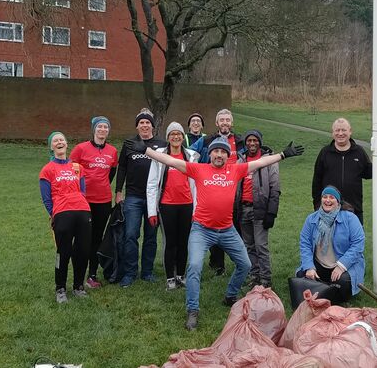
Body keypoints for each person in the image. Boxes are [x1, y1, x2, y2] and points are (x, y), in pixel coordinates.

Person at [125, 135, 304, 330]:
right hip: (202, 230)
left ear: (228, 156)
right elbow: (170, 160)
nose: (219, 155)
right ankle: (192, 310)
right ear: (209, 154)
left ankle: (230, 295)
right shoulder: (199, 169)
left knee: (244, 264)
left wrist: (283, 155)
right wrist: (146, 150)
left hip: (227, 230)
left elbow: (261, 162)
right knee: (194, 267)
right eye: (216, 151)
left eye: (223, 152)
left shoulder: (235, 170)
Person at [115, 108, 166, 288]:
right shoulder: (129, 144)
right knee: (130, 234)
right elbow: (121, 168)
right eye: (141, 123)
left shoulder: (161, 144)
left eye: (147, 122)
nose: (144, 125)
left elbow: (166, 169)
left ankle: (147, 272)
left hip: (154, 198)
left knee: (151, 236)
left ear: (152, 126)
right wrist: (119, 191)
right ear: (137, 127)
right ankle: (130, 272)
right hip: (133, 197)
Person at [190, 108, 244, 275]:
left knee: (236, 229)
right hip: (214, 186)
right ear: (217, 123)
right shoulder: (206, 140)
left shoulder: (240, 140)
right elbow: (190, 152)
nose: (225, 123)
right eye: (222, 120)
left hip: (237, 191)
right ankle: (218, 265)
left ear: (232, 123)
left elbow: (251, 157)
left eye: (228, 120)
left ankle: (239, 263)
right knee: (215, 227)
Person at [39, 131, 92, 303]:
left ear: (67, 144)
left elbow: (82, 191)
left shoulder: (78, 167)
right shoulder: (47, 170)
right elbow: (47, 199)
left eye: (62, 139)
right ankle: (60, 288)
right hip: (62, 214)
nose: (59, 142)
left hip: (82, 212)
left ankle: (78, 286)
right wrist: (55, 214)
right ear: (51, 146)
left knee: (83, 251)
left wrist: (79, 204)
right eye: (55, 141)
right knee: (64, 252)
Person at [146, 122, 199, 291]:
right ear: (168, 138)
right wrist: (151, 211)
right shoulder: (159, 156)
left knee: (183, 242)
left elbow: (196, 185)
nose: (176, 137)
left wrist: (196, 209)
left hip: (186, 205)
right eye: (172, 134)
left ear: (183, 137)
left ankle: (181, 275)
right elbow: (152, 184)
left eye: (179, 134)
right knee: (170, 242)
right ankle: (170, 277)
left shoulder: (191, 156)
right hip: (167, 205)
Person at [70, 116, 118, 288]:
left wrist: (102, 185)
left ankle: (92, 275)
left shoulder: (112, 151)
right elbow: (71, 172)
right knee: (82, 238)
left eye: (106, 127)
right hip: (83, 201)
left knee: (97, 238)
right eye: (100, 127)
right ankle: (78, 275)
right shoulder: (80, 149)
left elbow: (112, 173)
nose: (103, 130)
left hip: (104, 201)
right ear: (94, 129)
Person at [296, 186, 365, 303]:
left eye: (332, 197)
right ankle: (325, 289)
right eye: (325, 197)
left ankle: (325, 294)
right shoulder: (311, 219)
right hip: (320, 264)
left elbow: (358, 244)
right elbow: (305, 244)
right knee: (301, 275)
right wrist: (309, 267)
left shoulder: (350, 218)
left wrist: (341, 266)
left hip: (342, 265)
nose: (327, 200)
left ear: (338, 202)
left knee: (342, 282)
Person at [234, 130, 280, 288]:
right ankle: (254, 276)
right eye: (249, 141)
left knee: (261, 246)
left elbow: (275, 188)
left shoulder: (269, 160)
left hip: (261, 208)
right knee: (249, 246)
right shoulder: (241, 161)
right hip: (243, 209)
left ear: (259, 142)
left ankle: (266, 279)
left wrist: (271, 212)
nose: (252, 143)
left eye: (255, 140)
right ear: (245, 143)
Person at [312, 118, 372, 224]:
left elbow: (368, 173)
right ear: (332, 132)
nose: (340, 133)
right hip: (329, 209)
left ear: (350, 131)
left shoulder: (359, 152)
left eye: (344, 130)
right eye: (337, 130)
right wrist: (317, 205)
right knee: (328, 240)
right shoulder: (325, 153)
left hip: (355, 210)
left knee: (355, 240)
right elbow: (316, 181)